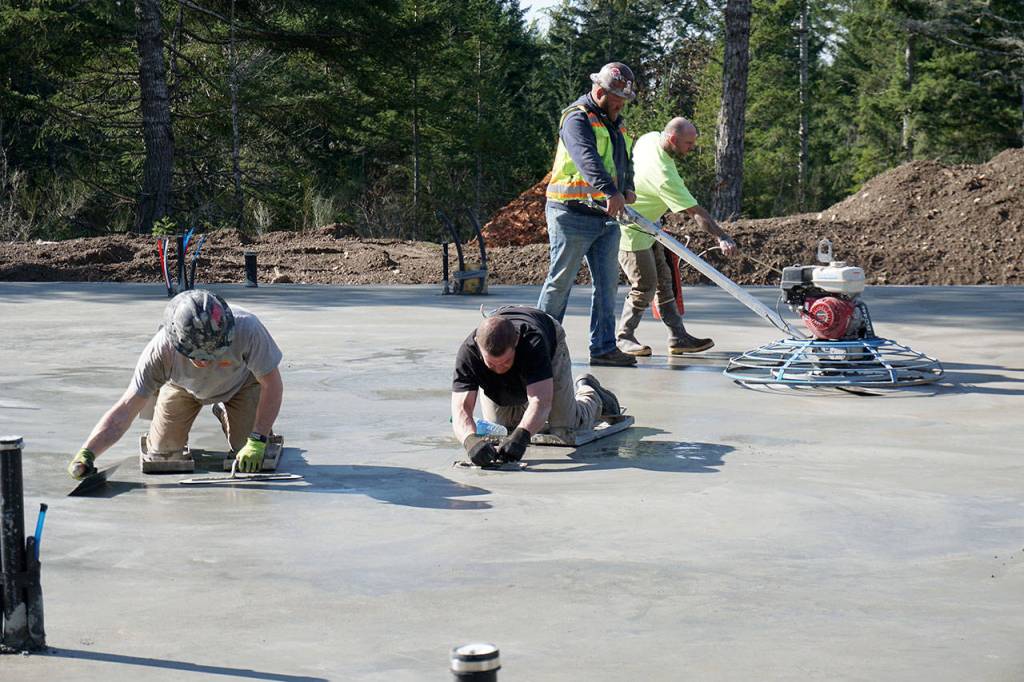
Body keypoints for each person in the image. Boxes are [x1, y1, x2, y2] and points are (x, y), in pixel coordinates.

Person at [66, 289, 284, 478]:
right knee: (163, 454)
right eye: (197, 355)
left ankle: (229, 413)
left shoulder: (248, 329)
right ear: (178, 342)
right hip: (183, 388)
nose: (205, 361)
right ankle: (174, 421)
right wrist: (88, 453)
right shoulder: (161, 350)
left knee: (252, 455)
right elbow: (126, 408)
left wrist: (257, 438)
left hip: (240, 386)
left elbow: (272, 384)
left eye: (212, 353)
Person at [537, 62, 638, 367]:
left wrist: (627, 187)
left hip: (605, 218)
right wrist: (611, 191)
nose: (620, 106)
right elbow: (587, 158)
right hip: (571, 213)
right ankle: (541, 347)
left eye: (623, 101)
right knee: (560, 282)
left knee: (607, 285)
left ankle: (604, 347)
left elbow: (624, 159)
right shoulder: (576, 119)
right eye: (617, 100)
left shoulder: (615, 122)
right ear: (599, 91)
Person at [616, 117, 739, 356]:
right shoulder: (664, 175)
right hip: (630, 233)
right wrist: (722, 236)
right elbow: (696, 213)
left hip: (650, 228)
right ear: (672, 139)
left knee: (664, 283)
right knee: (644, 285)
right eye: (688, 143)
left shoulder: (650, 138)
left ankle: (678, 337)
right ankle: (623, 337)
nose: (691, 148)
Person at [451, 306, 621, 467]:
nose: (500, 369)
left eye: (506, 361)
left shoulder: (532, 343)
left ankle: (592, 394)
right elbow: (461, 409)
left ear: (516, 341)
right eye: (491, 364)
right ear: (478, 348)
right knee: (501, 430)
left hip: (548, 335)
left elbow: (541, 401)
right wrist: (470, 441)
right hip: (510, 354)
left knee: (564, 430)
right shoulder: (468, 353)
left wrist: (522, 436)